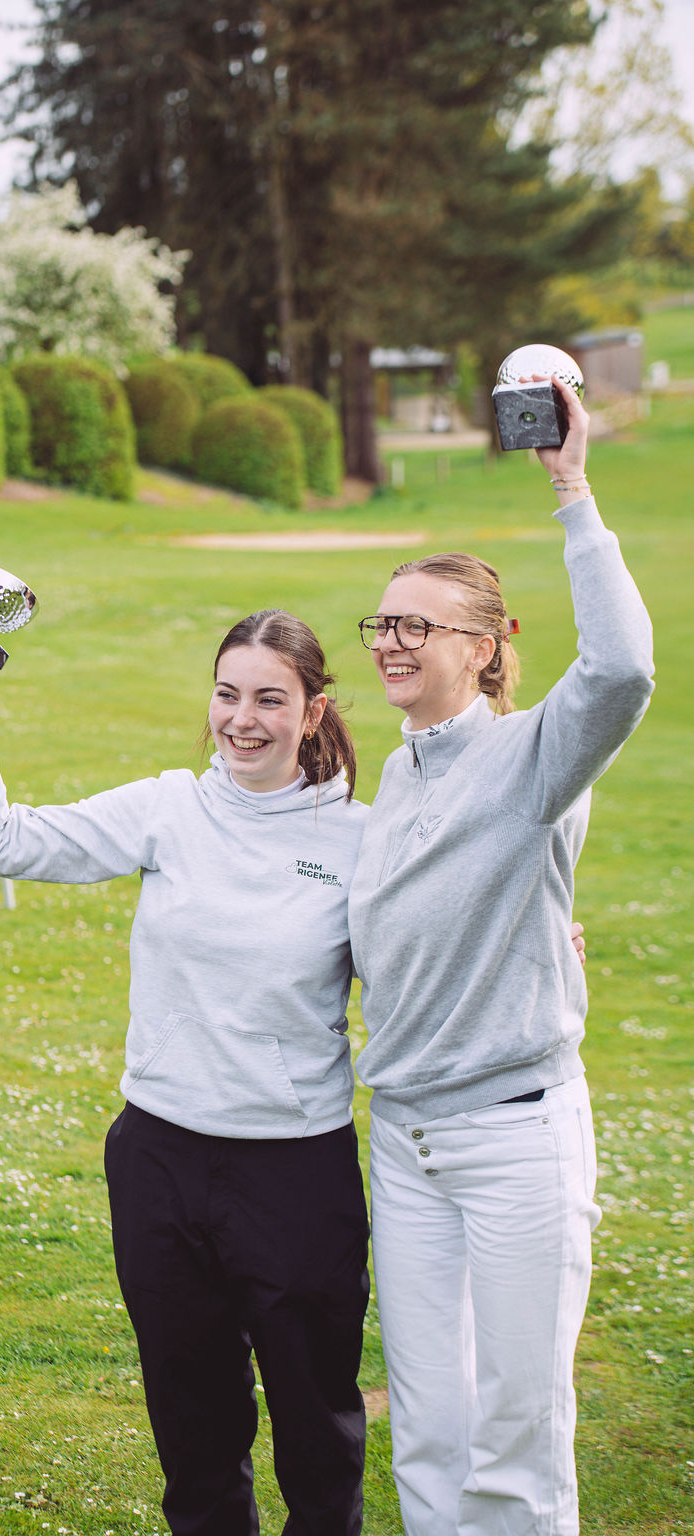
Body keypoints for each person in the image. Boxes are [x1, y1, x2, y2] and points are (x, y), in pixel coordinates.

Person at [0, 606, 372, 1536]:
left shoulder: (363, 841)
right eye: (227, 694)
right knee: (193, 1422)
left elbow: (430, 968)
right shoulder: (170, 806)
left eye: (270, 700)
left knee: (317, 1427)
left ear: (314, 712)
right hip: (161, 1162)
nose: (242, 719)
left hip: (295, 1171)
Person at [347, 376, 654, 1536]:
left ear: (483, 649)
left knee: (517, 1431)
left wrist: (571, 490)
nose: (391, 643)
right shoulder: (394, 772)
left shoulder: (530, 759)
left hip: (515, 1136)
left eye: (416, 627)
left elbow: (620, 672)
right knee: (430, 1428)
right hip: (405, 1141)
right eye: (383, 623)